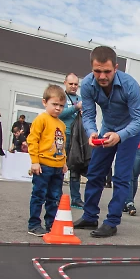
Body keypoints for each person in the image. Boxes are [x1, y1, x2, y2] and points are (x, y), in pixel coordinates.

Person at [73, 46, 140, 238]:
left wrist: (120, 136)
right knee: (95, 173)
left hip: (129, 132)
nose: (102, 76)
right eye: (97, 71)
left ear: (116, 68)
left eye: (107, 71)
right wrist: (91, 132)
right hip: (106, 130)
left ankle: (112, 222)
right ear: (91, 68)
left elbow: (139, 119)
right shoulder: (87, 85)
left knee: (121, 177)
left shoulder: (130, 85)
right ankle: (89, 216)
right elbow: (88, 114)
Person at [26, 85, 68, 236]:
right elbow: (33, 140)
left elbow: (62, 145)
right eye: (54, 104)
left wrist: (64, 162)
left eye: (61, 106)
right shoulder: (41, 119)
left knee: (54, 197)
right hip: (43, 166)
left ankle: (51, 224)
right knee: (39, 195)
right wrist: (34, 161)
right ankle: (34, 224)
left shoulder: (61, 124)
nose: (58, 108)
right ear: (44, 102)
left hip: (58, 167)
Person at [59, 72, 84, 209]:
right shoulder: (60, 97)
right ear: (65, 83)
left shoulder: (81, 98)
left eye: (76, 84)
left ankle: (76, 198)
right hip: (63, 136)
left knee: (75, 167)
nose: (73, 86)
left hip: (77, 137)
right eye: (71, 84)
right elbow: (59, 114)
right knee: (59, 166)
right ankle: (56, 196)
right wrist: (75, 108)